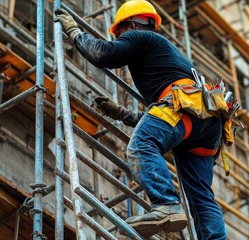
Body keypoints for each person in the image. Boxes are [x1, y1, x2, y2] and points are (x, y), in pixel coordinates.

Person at [55, 1, 227, 239]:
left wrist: (74, 33)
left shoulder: (140, 37)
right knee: (200, 195)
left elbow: (104, 54)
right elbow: (166, 122)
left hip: (184, 108)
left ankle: (167, 204)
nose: (122, 40)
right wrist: (123, 114)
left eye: (121, 35)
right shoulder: (166, 59)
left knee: (141, 145)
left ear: (132, 25)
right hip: (206, 122)